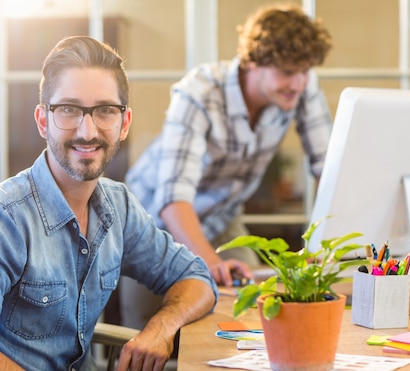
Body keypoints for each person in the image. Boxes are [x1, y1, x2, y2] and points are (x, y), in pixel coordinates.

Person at [0, 35, 217, 371]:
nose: (87, 130)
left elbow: (196, 277)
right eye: (69, 110)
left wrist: (160, 329)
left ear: (124, 122)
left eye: (105, 111)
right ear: (43, 119)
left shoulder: (117, 205)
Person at [125, 4, 333, 288]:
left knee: (250, 296)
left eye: (305, 71)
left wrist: (325, 247)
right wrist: (211, 263)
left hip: (221, 216)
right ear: (253, 61)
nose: (298, 83)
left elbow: (329, 171)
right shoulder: (200, 91)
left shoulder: (300, 86)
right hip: (153, 222)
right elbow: (173, 198)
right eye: (287, 72)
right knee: (155, 319)